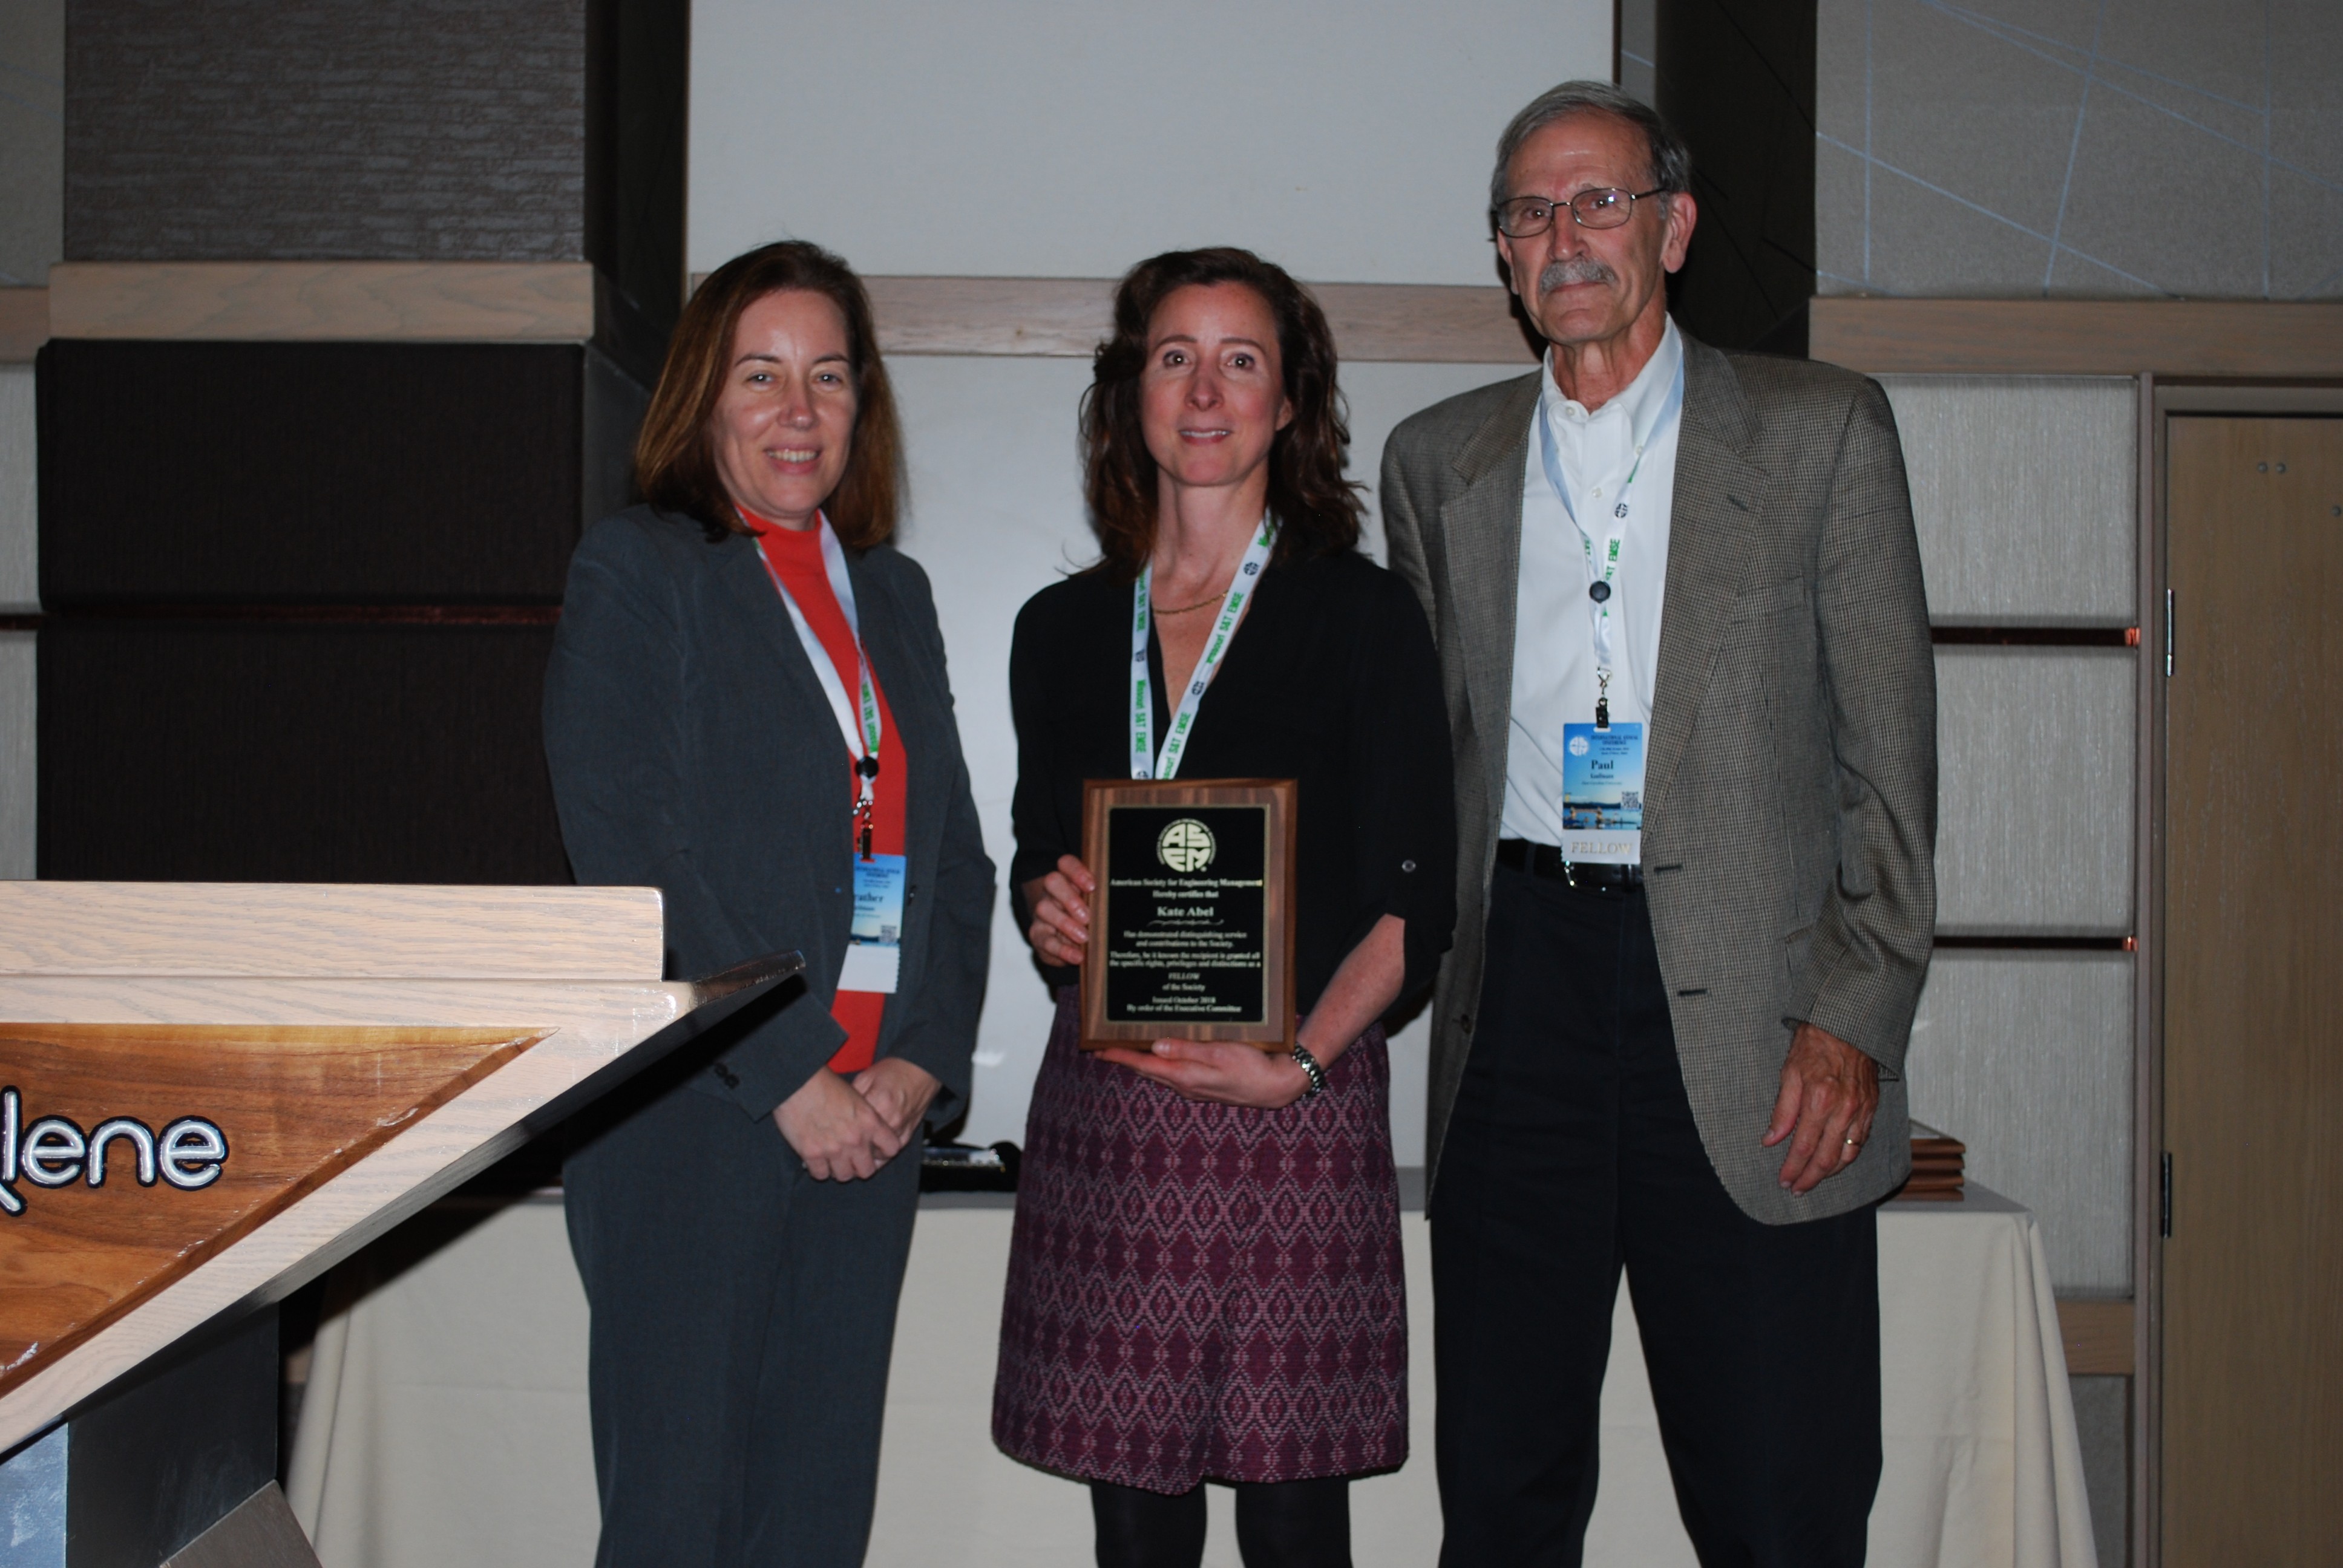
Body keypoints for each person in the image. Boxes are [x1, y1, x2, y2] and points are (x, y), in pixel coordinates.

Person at [1380, 82, 1937, 1566]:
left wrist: (1853, 1018)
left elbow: (1889, 766)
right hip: (1518, 1003)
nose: (1563, 236)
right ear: (1504, 255)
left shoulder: (1822, 433)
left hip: (1759, 1021)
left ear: (1673, 229)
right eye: (1529, 212)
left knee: (1778, 1502)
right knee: (1500, 1495)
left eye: (1598, 202)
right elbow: (1420, 768)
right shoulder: (1435, 463)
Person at [991, 247, 1455, 1568]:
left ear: (1289, 401)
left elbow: (1416, 897)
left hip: (1293, 1109)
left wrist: (1300, 1064)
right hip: (1116, 1107)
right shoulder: (1059, 630)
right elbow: (1037, 850)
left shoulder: (1362, 615)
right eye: (1174, 358)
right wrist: (1050, 908)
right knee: (1134, 1523)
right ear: (1130, 394)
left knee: (1294, 1512)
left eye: (1240, 361)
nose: (1205, 392)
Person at [543, 240, 994, 1568]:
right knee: (680, 1522)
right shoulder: (641, 569)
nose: (799, 411)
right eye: (762, 375)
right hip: (699, 1121)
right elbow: (632, 858)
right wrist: (792, 1071)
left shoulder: (893, 594)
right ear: (703, 397)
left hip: (874, 1127)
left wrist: (919, 1061)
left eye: (829, 377)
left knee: (815, 1522)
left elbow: (954, 863)